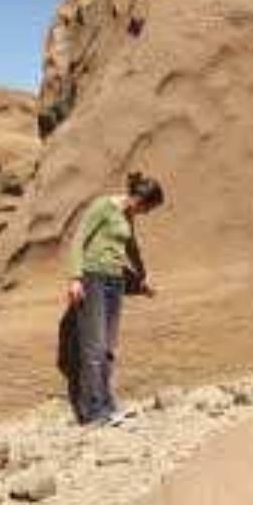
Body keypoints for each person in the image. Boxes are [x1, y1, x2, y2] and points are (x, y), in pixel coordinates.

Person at [64, 171, 164, 426]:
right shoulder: (103, 206)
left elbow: (131, 248)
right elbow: (78, 240)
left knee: (107, 348)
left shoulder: (127, 215)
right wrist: (75, 278)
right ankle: (92, 412)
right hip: (92, 278)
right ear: (139, 199)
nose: (145, 214)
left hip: (115, 281)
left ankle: (108, 407)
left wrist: (142, 277)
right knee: (94, 347)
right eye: (147, 208)